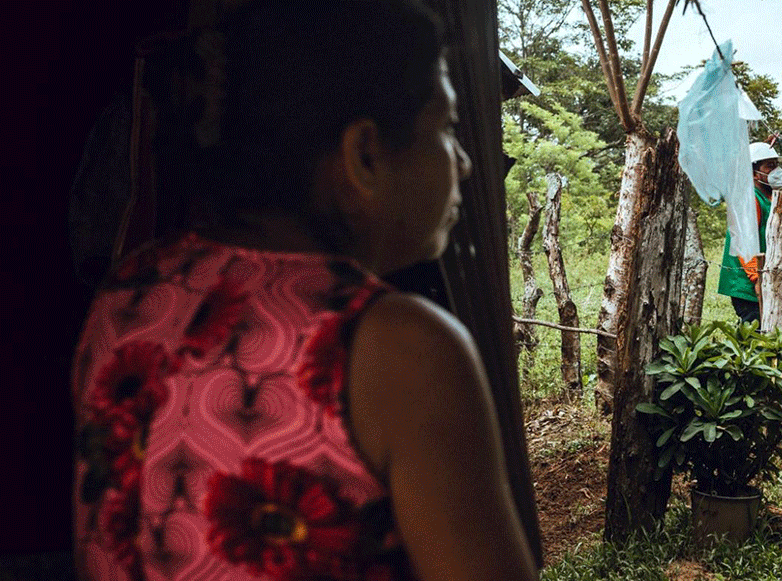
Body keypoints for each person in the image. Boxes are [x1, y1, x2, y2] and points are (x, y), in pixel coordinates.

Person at [69, 2, 537, 580]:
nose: (463, 163)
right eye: (446, 128)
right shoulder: (398, 347)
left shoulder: (129, 293)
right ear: (364, 156)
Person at [717, 141, 782, 324]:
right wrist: (756, 278)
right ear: (754, 173)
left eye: (776, 165)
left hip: (766, 277)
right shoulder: (748, 199)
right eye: (769, 166)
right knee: (754, 329)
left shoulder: (770, 197)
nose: (777, 171)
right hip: (748, 282)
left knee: (768, 328)